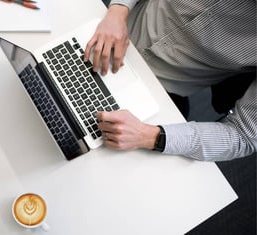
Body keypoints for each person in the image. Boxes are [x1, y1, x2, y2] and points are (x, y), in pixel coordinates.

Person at [84, 0, 256, 161]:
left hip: (158, 92)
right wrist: (118, 11)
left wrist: (148, 136)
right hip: (112, 25)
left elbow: (243, 135)